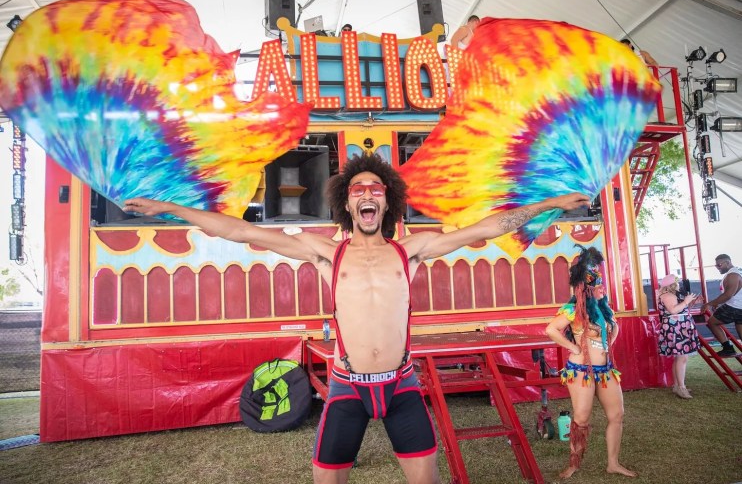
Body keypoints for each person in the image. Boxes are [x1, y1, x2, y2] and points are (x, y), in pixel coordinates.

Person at [124, 154, 590, 484]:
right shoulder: (326, 253)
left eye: (376, 190)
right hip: (347, 389)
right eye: (357, 190)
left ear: (388, 203)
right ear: (347, 205)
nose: (367, 195)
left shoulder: (411, 251)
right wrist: (169, 209)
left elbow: (486, 228)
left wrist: (547, 205)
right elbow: (242, 230)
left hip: (402, 388)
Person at [545, 246, 636, 479]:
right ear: (586, 289)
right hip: (580, 371)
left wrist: (607, 344)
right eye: (598, 286)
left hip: (605, 370)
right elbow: (551, 330)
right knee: (582, 418)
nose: (602, 288)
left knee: (617, 416)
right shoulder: (574, 309)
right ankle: (574, 464)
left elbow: (615, 329)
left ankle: (613, 463)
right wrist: (574, 347)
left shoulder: (605, 310)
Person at [656, 274, 701, 399]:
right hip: (677, 329)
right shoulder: (667, 295)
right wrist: (686, 301)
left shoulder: (671, 295)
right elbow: (673, 310)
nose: (679, 285)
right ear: (672, 284)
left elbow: (680, 309)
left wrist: (691, 303)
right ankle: (681, 387)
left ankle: (677, 386)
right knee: (682, 358)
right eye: (677, 282)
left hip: (680, 328)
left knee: (680, 358)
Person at [701, 254, 742, 357]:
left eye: (719, 265)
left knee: (712, 322)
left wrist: (710, 303)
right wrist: (716, 303)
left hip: (735, 307)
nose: (718, 268)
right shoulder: (735, 272)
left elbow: (728, 295)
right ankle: (728, 349)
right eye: (716, 266)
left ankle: (728, 349)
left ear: (728, 262)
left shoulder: (733, 275)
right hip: (738, 306)